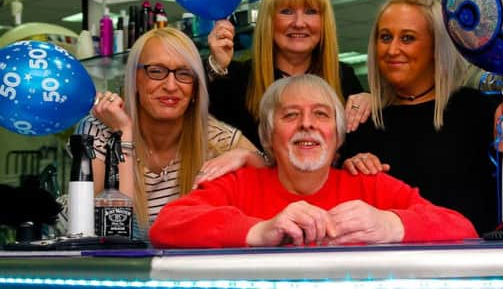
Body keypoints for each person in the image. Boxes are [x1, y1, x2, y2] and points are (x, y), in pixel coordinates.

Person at [337, 0, 503, 235]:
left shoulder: (477, 110)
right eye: (385, 37)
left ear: (436, 47)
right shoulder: (363, 124)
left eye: (407, 38)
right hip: (388, 270)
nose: (392, 49)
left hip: (469, 266)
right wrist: (351, 174)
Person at [149, 74, 477, 248]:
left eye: (320, 115)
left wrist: (389, 225)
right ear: (267, 135)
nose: (307, 124)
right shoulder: (238, 185)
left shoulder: (369, 186)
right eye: (291, 114)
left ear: (337, 135)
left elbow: (462, 228)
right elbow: (167, 226)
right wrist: (260, 231)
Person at [76, 27, 267, 237]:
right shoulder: (99, 129)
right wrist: (124, 133)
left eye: (184, 74)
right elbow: (105, 231)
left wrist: (247, 156)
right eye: (156, 71)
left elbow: (274, 176)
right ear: (135, 79)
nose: (170, 85)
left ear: (195, 87)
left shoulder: (215, 138)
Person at [205, 0, 370, 149]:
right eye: (287, 11)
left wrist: (373, 101)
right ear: (269, 20)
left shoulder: (344, 78)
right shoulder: (237, 78)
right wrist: (215, 68)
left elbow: (357, 151)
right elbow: (200, 128)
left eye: (310, 12)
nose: (299, 23)